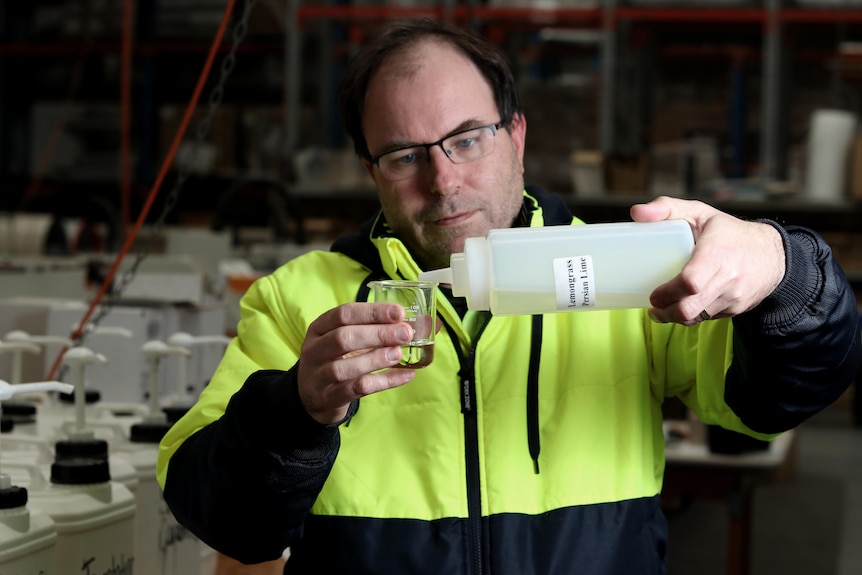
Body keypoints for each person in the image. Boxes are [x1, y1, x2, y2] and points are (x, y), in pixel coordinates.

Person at [157, 17, 861, 574]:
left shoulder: (621, 274)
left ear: (516, 135)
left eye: (467, 139)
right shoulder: (300, 299)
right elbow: (227, 524)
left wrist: (786, 271)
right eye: (404, 155)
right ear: (371, 171)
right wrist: (295, 411)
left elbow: (778, 399)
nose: (442, 179)